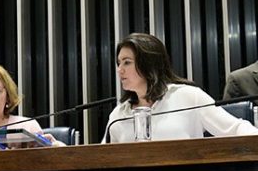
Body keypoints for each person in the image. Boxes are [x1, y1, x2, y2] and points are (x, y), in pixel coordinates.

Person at [106, 33, 258, 143]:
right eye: (118, 63)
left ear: (149, 64)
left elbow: (236, 129)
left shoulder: (189, 97)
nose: (120, 70)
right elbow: (103, 159)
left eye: (127, 62)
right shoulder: (118, 115)